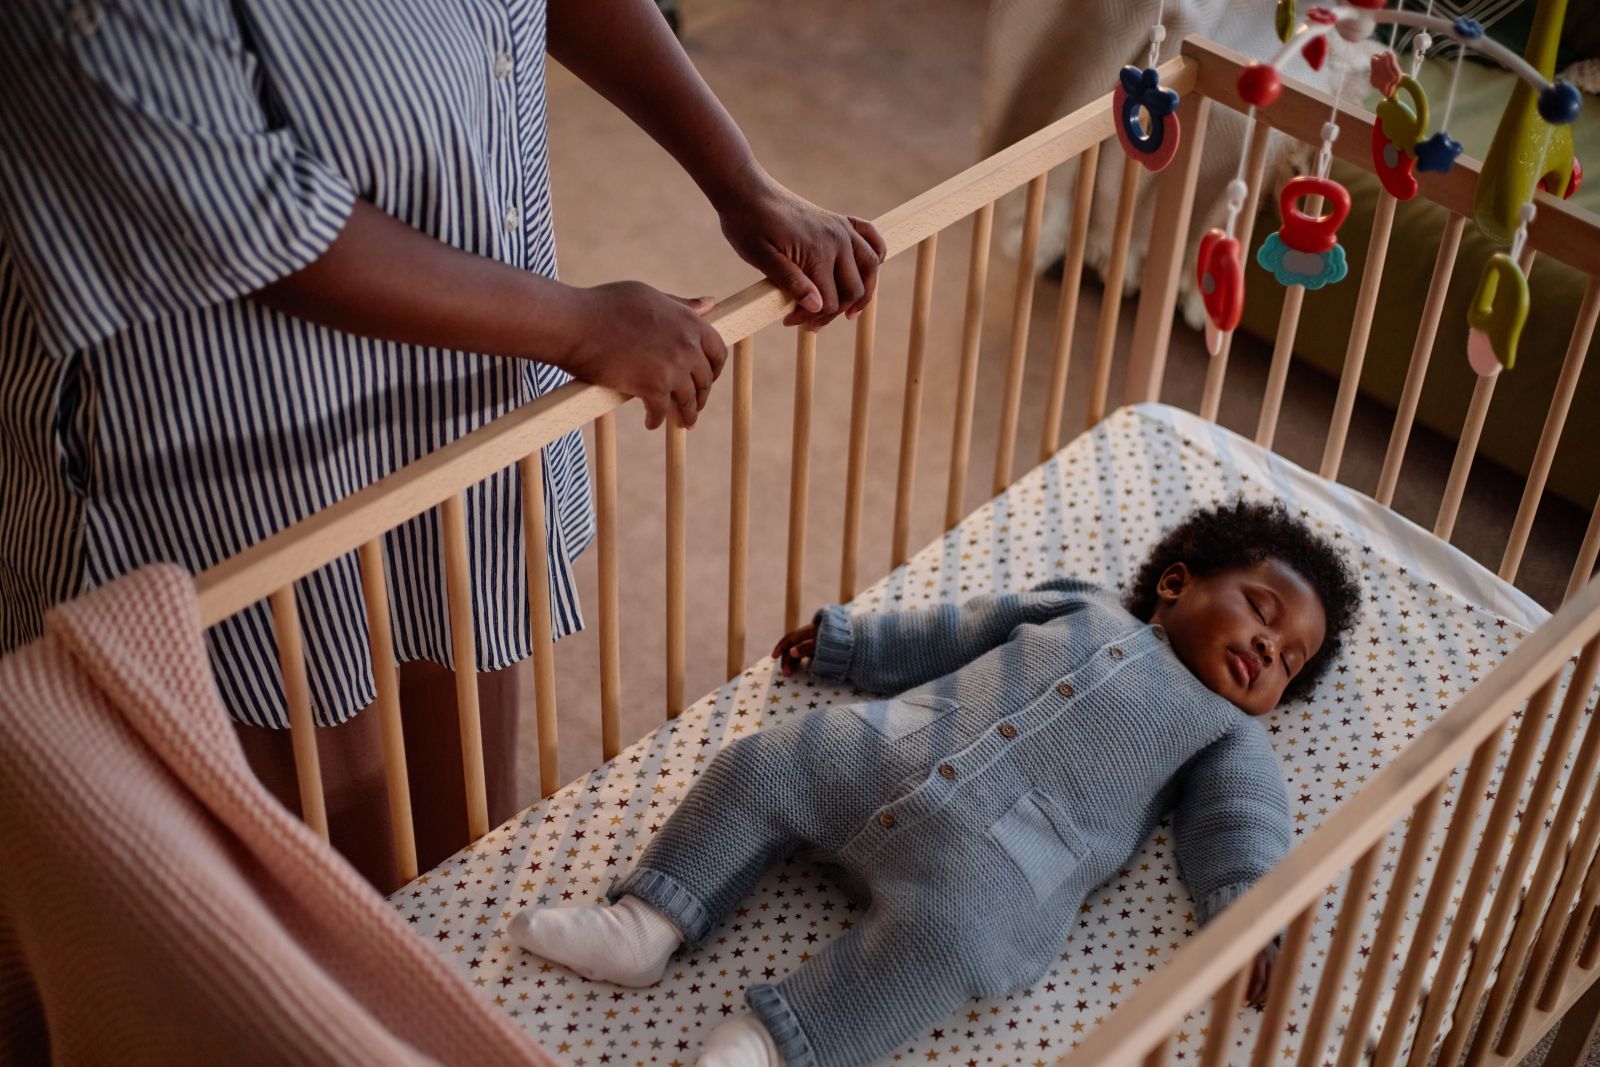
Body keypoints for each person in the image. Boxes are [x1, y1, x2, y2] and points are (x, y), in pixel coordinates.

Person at [0, 0, 884, 884]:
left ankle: (451, 966)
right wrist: (579, 326)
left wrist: (742, 180)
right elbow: (234, 212)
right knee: (305, 871)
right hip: (252, 446)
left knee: (461, 818)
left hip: (466, 389)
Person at [507, 499, 1363, 1067]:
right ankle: (649, 919)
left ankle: (773, 1040)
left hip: (1003, 864)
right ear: (1176, 584)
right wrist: (856, 646)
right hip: (888, 748)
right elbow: (957, 631)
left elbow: (1243, 823)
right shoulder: (1082, 605)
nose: (1267, 650)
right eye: (1261, 609)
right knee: (764, 762)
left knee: (952, 946)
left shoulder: (1227, 733)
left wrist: (1249, 914)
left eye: (1290, 661)